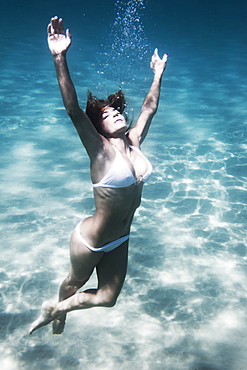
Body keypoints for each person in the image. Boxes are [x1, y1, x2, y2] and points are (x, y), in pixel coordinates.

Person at [29, 16, 168, 335]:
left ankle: (58, 310)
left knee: (108, 298)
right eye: (106, 115)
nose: (116, 113)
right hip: (90, 241)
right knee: (74, 282)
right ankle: (59, 314)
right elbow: (73, 110)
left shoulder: (133, 141)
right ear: (99, 127)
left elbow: (148, 108)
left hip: (120, 237)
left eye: (116, 110)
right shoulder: (100, 150)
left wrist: (158, 74)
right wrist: (59, 57)